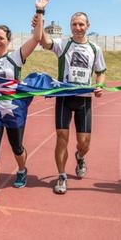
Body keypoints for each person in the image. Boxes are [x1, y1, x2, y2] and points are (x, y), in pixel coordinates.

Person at [0, 0, 49, 213]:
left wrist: (40, 11)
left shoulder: (15, 57)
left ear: (8, 41)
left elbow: (37, 39)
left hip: (14, 111)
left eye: (1, 38)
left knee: (17, 147)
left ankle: (22, 168)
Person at [38, 12, 106, 194]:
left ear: (87, 26)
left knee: (84, 144)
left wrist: (99, 85)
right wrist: (40, 16)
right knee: (62, 138)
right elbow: (45, 42)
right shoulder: (63, 44)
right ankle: (61, 176)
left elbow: (101, 71)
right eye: (74, 24)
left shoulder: (95, 49)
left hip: (84, 100)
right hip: (64, 98)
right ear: (70, 26)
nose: (78, 28)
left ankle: (80, 156)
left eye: (81, 24)